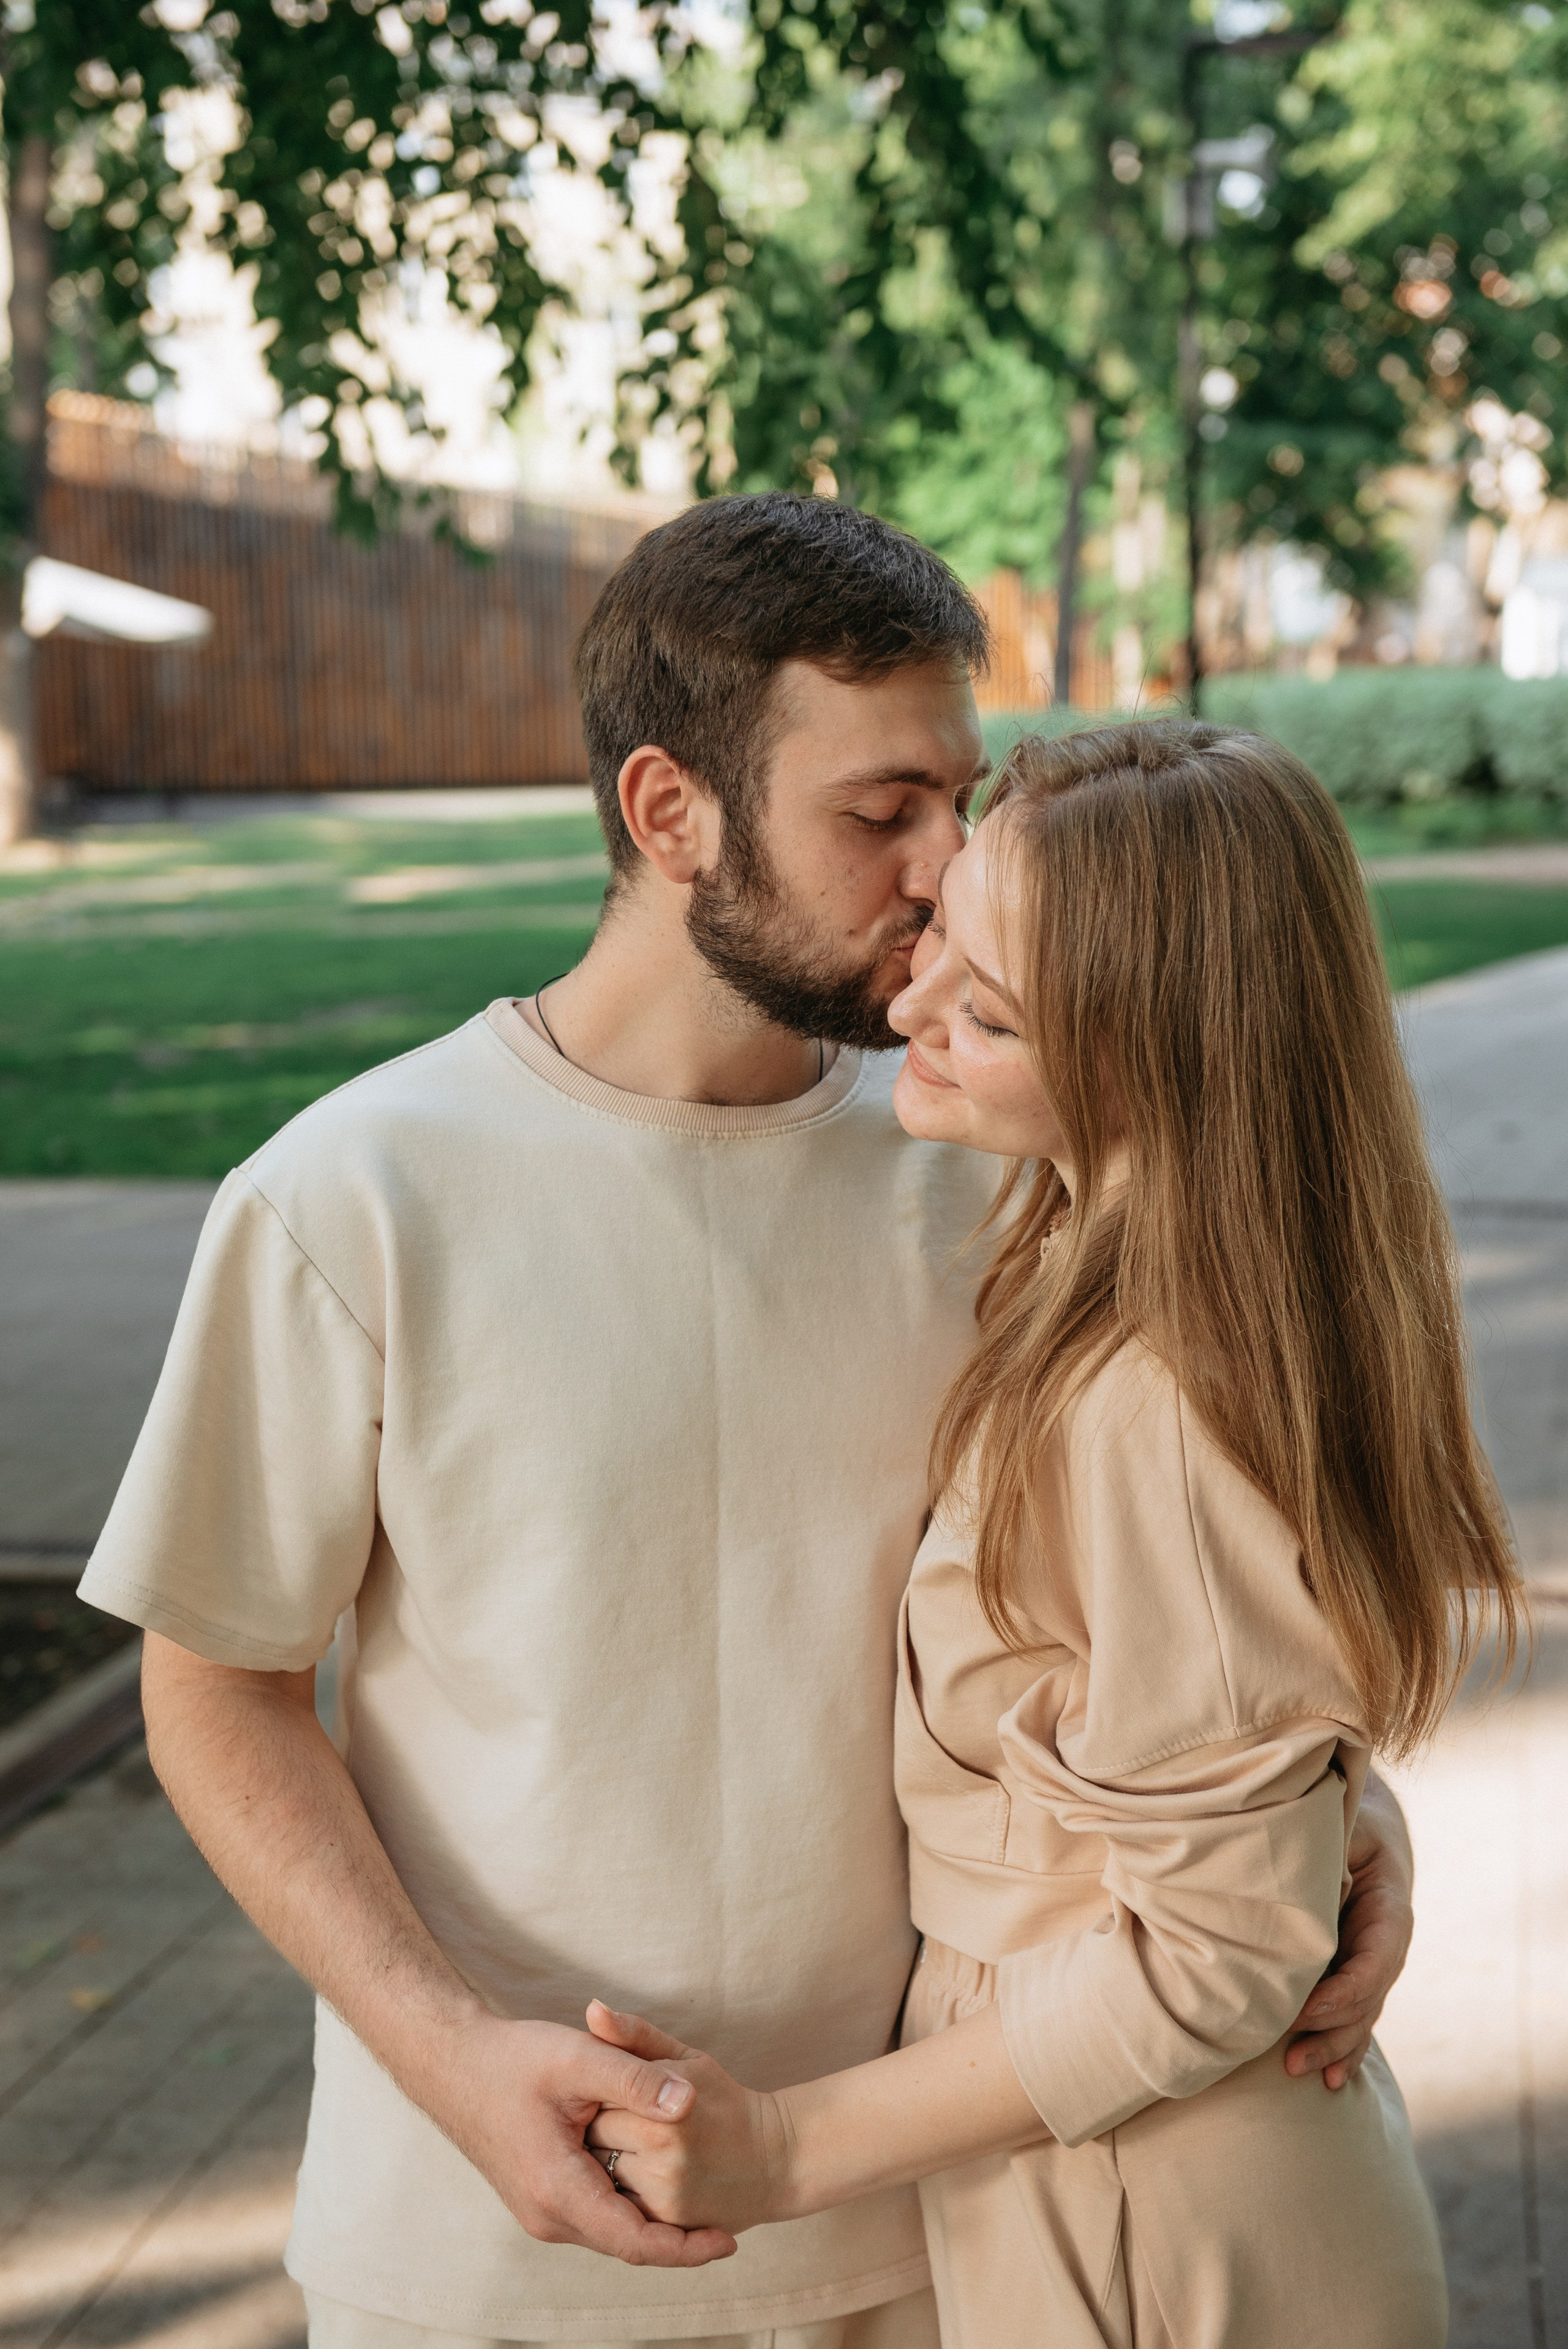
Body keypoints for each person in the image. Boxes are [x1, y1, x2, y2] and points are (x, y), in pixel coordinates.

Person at [81, 508, 1415, 2349]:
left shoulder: (987, 1162)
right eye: (884, 814)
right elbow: (214, 1682)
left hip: (931, 2226)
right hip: (485, 2239)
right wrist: (451, 2055)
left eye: (963, 796)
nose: (948, 870)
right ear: (669, 809)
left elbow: (1163, 1592)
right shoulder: (352, 1195)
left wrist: (1317, 1811)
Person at [576, 721, 1526, 2348]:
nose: (914, 1007)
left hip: (1151, 2196)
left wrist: (783, 2147)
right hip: (1121, 2156)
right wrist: (1336, 1824)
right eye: (949, 927)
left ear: (1166, 1057)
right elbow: (1215, 1724)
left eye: (995, 1013)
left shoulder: (1153, 1393)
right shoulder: (1148, 1282)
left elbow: (1212, 1953)